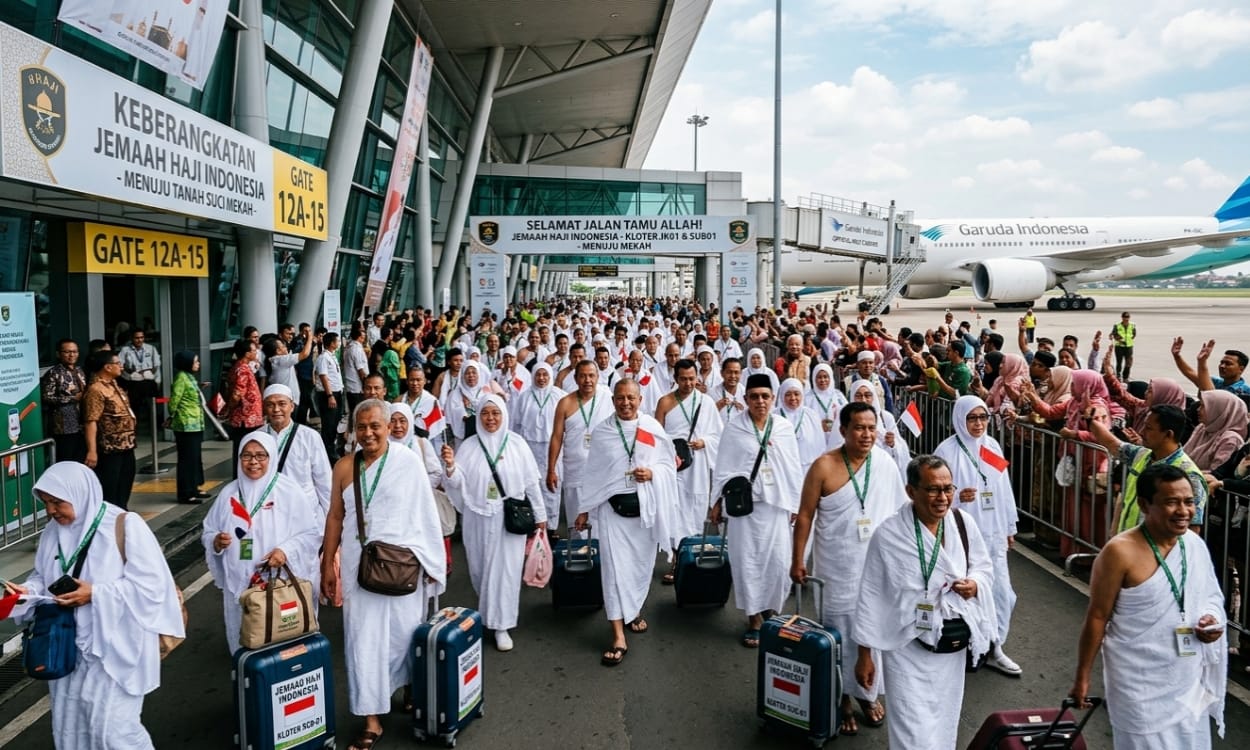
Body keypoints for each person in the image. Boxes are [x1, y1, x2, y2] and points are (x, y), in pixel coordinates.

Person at [6, 462, 183, 749]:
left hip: (115, 648)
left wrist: (97, 594)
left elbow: (153, 586)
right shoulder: (53, 532)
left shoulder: (124, 526)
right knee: (72, 728)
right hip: (68, 646)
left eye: (57, 502)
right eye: (46, 503)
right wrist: (27, 591)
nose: (51, 510)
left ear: (80, 494)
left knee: (114, 732)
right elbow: (43, 575)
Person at [1070, 464, 1226, 748]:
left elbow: (1211, 597)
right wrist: (1082, 676)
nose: (1183, 511)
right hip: (1137, 681)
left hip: (1187, 676)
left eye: (1189, 502)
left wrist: (1211, 621)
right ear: (1144, 504)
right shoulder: (1119, 552)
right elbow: (1097, 616)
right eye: (1171, 502)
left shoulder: (1193, 544)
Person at [321, 400, 446, 750]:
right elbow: (334, 516)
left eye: (375, 426)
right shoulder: (345, 467)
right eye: (361, 427)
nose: (368, 433)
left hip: (403, 565)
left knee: (404, 636)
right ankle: (371, 718)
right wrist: (327, 562)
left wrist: (429, 561)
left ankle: (407, 686)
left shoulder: (408, 463)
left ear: (390, 427)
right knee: (363, 642)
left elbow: (425, 514)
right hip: (359, 567)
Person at [853, 456, 997, 750]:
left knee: (944, 721)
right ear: (911, 491)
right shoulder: (889, 535)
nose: (942, 498)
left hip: (948, 647)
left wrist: (975, 584)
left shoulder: (962, 523)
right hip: (905, 647)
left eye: (948, 488)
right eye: (933, 490)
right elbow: (871, 596)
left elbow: (984, 568)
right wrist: (865, 655)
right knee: (910, 731)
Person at [791, 402, 904, 735]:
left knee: (873, 628)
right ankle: (841, 697)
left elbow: (900, 513)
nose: (867, 434)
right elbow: (806, 515)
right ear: (843, 431)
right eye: (859, 427)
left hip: (878, 566)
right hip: (837, 567)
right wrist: (797, 559)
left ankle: (867, 695)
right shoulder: (823, 466)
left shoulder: (884, 463)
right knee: (839, 632)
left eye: (872, 428)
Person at [575, 379, 680, 666]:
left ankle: (632, 610)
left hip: (644, 510)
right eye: (620, 398)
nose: (625, 403)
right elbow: (594, 473)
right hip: (612, 512)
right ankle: (618, 634)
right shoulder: (603, 432)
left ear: (640, 399)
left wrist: (653, 473)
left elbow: (669, 465)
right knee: (613, 570)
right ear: (613, 401)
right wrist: (584, 509)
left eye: (631, 398)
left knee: (638, 569)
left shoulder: (651, 428)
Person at [441, 396, 546, 651]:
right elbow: (456, 485)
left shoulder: (517, 444)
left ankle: (502, 625)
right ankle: (487, 614)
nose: (490, 418)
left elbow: (531, 482)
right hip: (477, 518)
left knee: (505, 573)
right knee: (480, 570)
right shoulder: (468, 446)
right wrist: (451, 468)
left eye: (495, 413)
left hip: (507, 519)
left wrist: (541, 515)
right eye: (485, 413)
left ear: (504, 415)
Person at [201, 431, 321, 654]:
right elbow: (208, 530)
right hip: (240, 589)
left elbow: (310, 534)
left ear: (271, 457)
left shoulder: (288, 491)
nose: (253, 462)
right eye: (246, 456)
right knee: (244, 643)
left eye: (260, 455)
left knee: (282, 643)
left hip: (279, 585)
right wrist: (216, 542)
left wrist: (285, 551)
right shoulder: (230, 492)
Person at [710, 373, 802, 648]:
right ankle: (754, 619)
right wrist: (716, 502)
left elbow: (793, 468)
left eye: (765, 396)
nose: (760, 401)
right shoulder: (734, 428)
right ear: (746, 399)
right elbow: (723, 468)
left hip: (776, 508)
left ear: (773, 398)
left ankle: (771, 612)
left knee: (777, 562)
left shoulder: (783, 428)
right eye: (754, 396)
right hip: (744, 510)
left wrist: (796, 503)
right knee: (747, 563)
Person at [933, 396, 1022, 676]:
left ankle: (996, 645)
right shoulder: (946, 451)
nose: (979, 423)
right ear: (960, 418)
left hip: (992, 531)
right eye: (972, 418)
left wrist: (1009, 527)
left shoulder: (991, 446)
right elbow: (934, 493)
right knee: (964, 591)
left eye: (983, 417)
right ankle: (966, 644)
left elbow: (1003, 488)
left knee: (1000, 592)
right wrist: (956, 497)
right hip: (960, 534)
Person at [1082, 403, 1208, 535]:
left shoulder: (1189, 475)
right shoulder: (1141, 455)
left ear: (1168, 434)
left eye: (1148, 428)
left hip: (1157, 552)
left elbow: (1192, 528)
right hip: (1130, 544)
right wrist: (1091, 421)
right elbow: (1112, 444)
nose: (1142, 432)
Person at [655, 359, 722, 583]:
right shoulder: (665, 402)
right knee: (674, 510)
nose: (688, 383)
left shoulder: (706, 403)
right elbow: (656, 437)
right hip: (673, 466)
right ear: (675, 379)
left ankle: (693, 557)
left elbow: (718, 435)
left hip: (699, 466)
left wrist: (705, 442)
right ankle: (676, 559)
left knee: (695, 508)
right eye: (683, 379)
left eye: (692, 378)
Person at [547, 360, 614, 529]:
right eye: (583, 376)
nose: (587, 380)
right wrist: (551, 469)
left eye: (591, 375)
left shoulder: (607, 398)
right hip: (575, 471)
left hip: (603, 471)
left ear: (598, 377)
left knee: (601, 523)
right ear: (575, 378)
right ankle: (577, 554)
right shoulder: (565, 403)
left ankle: (600, 554)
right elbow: (556, 437)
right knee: (576, 523)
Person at [512, 363, 566, 530]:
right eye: (538, 375)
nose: (541, 378)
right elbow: (517, 424)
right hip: (531, 448)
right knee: (533, 483)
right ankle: (535, 523)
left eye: (545, 375)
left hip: (554, 447)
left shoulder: (559, 396)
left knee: (552, 486)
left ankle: (552, 528)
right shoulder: (525, 396)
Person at [83, 350, 137, 510]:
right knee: (111, 489)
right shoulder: (96, 390)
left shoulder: (114, 385)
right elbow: (91, 421)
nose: (121, 366)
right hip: (110, 448)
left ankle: (122, 515)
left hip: (127, 445)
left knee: (125, 484)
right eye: (118, 363)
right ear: (107, 367)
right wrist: (92, 451)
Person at [168, 350, 210, 504]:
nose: (198, 364)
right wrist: (173, 416)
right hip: (186, 425)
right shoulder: (181, 378)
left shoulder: (190, 377)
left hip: (196, 424)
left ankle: (194, 487)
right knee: (187, 460)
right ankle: (186, 492)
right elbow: (174, 402)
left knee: (195, 458)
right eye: (195, 361)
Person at [849, 380, 910, 479]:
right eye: (859, 396)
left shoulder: (885, 417)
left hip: (883, 473)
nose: (863, 400)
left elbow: (901, 448)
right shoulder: (846, 419)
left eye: (867, 395)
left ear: (873, 397)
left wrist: (892, 444)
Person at [41, 338, 88, 463]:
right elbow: (46, 397)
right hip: (64, 426)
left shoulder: (79, 371)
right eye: (67, 352)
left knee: (80, 458)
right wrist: (71, 398)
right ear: (58, 354)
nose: (71, 355)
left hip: (82, 423)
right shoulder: (53, 373)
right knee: (66, 459)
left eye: (74, 351)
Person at [1183, 389, 1249, 471]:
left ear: (1220, 411)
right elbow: (1183, 456)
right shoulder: (1202, 428)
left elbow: (1216, 473)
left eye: (1203, 406)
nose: (1198, 409)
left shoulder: (1230, 440)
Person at [225, 338, 264, 472]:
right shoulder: (243, 369)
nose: (256, 352)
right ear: (247, 353)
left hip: (247, 417)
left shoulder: (240, 367)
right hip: (246, 418)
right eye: (254, 350)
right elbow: (237, 393)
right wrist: (230, 408)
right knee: (246, 449)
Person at [777, 378, 826, 470]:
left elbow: (820, 444)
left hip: (808, 467)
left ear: (802, 395)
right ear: (782, 396)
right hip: (783, 467)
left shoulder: (811, 416)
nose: (793, 398)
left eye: (796, 394)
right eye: (788, 394)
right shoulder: (775, 416)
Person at [118, 328, 161, 426]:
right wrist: (130, 374)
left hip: (148, 380)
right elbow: (120, 366)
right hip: (133, 382)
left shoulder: (151, 348)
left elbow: (156, 365)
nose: (139, 340)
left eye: (141, 337)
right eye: (137, 338)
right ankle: (135, 429)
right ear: (132, 338)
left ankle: (154, 427)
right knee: (134, 407)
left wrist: (148, 373)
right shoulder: (125, 350)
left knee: (153, 406)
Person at [314, 332, 344, 460]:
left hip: (337, 393)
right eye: (337, 341)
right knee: (329, 424)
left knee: (335, 421)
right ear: (331, 343)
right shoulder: (323, 358)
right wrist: (330, 395)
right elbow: (323, 376)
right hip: (328, 394)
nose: (338, 343)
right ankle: (327, 452)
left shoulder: (332, 356)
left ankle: (331, 447)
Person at [806, 363, 847, 450]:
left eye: (826, 377)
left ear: (831, 378)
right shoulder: (808, 398)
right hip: (815, 439)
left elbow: (847, 414)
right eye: (819, 377)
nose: (823, 380)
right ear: (814, 379)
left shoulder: (838, 396)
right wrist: (818, 425)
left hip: (836, 437)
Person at [1110, 312, 1136, 381]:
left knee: (1128, 363)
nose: (1126, 319)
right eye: (1125, 317)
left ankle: (1125, 377)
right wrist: (1120, 339)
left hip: (1129, 346)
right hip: (1119, 347)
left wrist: (1128, 340)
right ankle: (1118, 375)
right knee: (1119, 362)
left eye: (1127, 317)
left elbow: (1133, 334)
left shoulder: (1132, 325)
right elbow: (1114, 334)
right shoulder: (1117, 325)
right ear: (1122, 318)